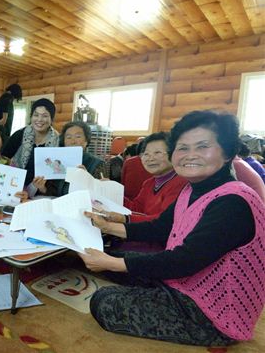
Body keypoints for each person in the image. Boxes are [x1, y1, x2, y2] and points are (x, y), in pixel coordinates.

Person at [81, 110, 265, 346]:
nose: (191, 155)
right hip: (185, 282)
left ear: (228, 152)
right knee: (110, 257)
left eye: (202, 146)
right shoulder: (191, 189)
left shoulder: (233, 202)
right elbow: (160, 228)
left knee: (103, 300)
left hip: (214, 314)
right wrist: (108, 226)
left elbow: (184, 260)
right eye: (183, 147)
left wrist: (111, 263)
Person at [2, 98, 60, 195]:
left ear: (51, 119)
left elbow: (58, 172)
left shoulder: (58, 141)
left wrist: (44, 188)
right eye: (36, 115)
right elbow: (3, 159)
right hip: (15, 190)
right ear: (31, 117)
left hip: (43, 193)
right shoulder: (19, 135)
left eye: (45, 116)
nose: (39, 120)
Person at [45, 121, 108, 197]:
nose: (73, 141)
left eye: (78, 136)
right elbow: (53, 192)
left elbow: (102, 196)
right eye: (68, 137)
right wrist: (42, 187)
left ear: (86, 141)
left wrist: (87, 179)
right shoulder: (58, 162)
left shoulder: (98, 164)